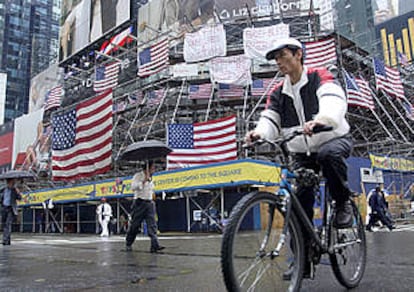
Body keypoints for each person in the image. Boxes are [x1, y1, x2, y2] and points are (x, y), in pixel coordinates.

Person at [245, 38, 354, 278]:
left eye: (283, 55)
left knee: (328, 155)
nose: (279, 62)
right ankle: (302, 260)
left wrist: (323, 120)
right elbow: (270, 119)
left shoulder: (319, 76)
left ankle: (343, 203)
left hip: (332, 138)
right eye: (276, 58)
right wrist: (259, 133)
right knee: (299, 205)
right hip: (302, 153)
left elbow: (333, 98)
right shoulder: (277, 92)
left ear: (298, 55)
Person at [126, 161, 165, 253]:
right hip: (139, 203)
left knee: (152, 225)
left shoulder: (152, 178)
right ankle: (129, 242)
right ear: (147, 168)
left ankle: (154, 245)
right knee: (135, 225)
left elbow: (151, 190)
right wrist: (144, 181)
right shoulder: (138, 176)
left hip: (149, 203)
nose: (154, 170)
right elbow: (133, 187)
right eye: (153, 168)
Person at [0, 178, 22, 245]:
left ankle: (5, 240)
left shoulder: (14, 190)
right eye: (11, 182)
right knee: (4, 224)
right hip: (4, 208)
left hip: (11, 208)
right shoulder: (3, 190)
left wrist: (18, 193)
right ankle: (7, 240)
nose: (12, 184)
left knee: (8, 224)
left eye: (13, 183)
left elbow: (19, 198)